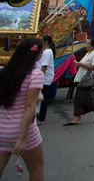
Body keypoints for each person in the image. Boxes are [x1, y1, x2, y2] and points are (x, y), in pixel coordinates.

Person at [0, 38, 45, 180]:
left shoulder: (4, 73)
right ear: (36, 55)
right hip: (22, 130)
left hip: (2, 129)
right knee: (36, 169)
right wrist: (22, 138)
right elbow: (30, 106)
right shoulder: (36, 75)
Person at [63, 38, 94, 126]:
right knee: (78, 98)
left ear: (93, 45)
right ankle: (77, 118)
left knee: (85, 98)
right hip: (81, 77)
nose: (85, 45)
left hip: (87, 79)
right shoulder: (88, 53)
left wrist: (80, 64)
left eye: (87, 44)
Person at [35, 36, 55, 125]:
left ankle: (41, 117)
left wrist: (38, 77)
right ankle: (39, 115)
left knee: (42, 98)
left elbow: (44, 66)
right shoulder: (45, 51)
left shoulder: (47, 52)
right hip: (43, 76)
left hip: (44, 77)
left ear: (46, 42)